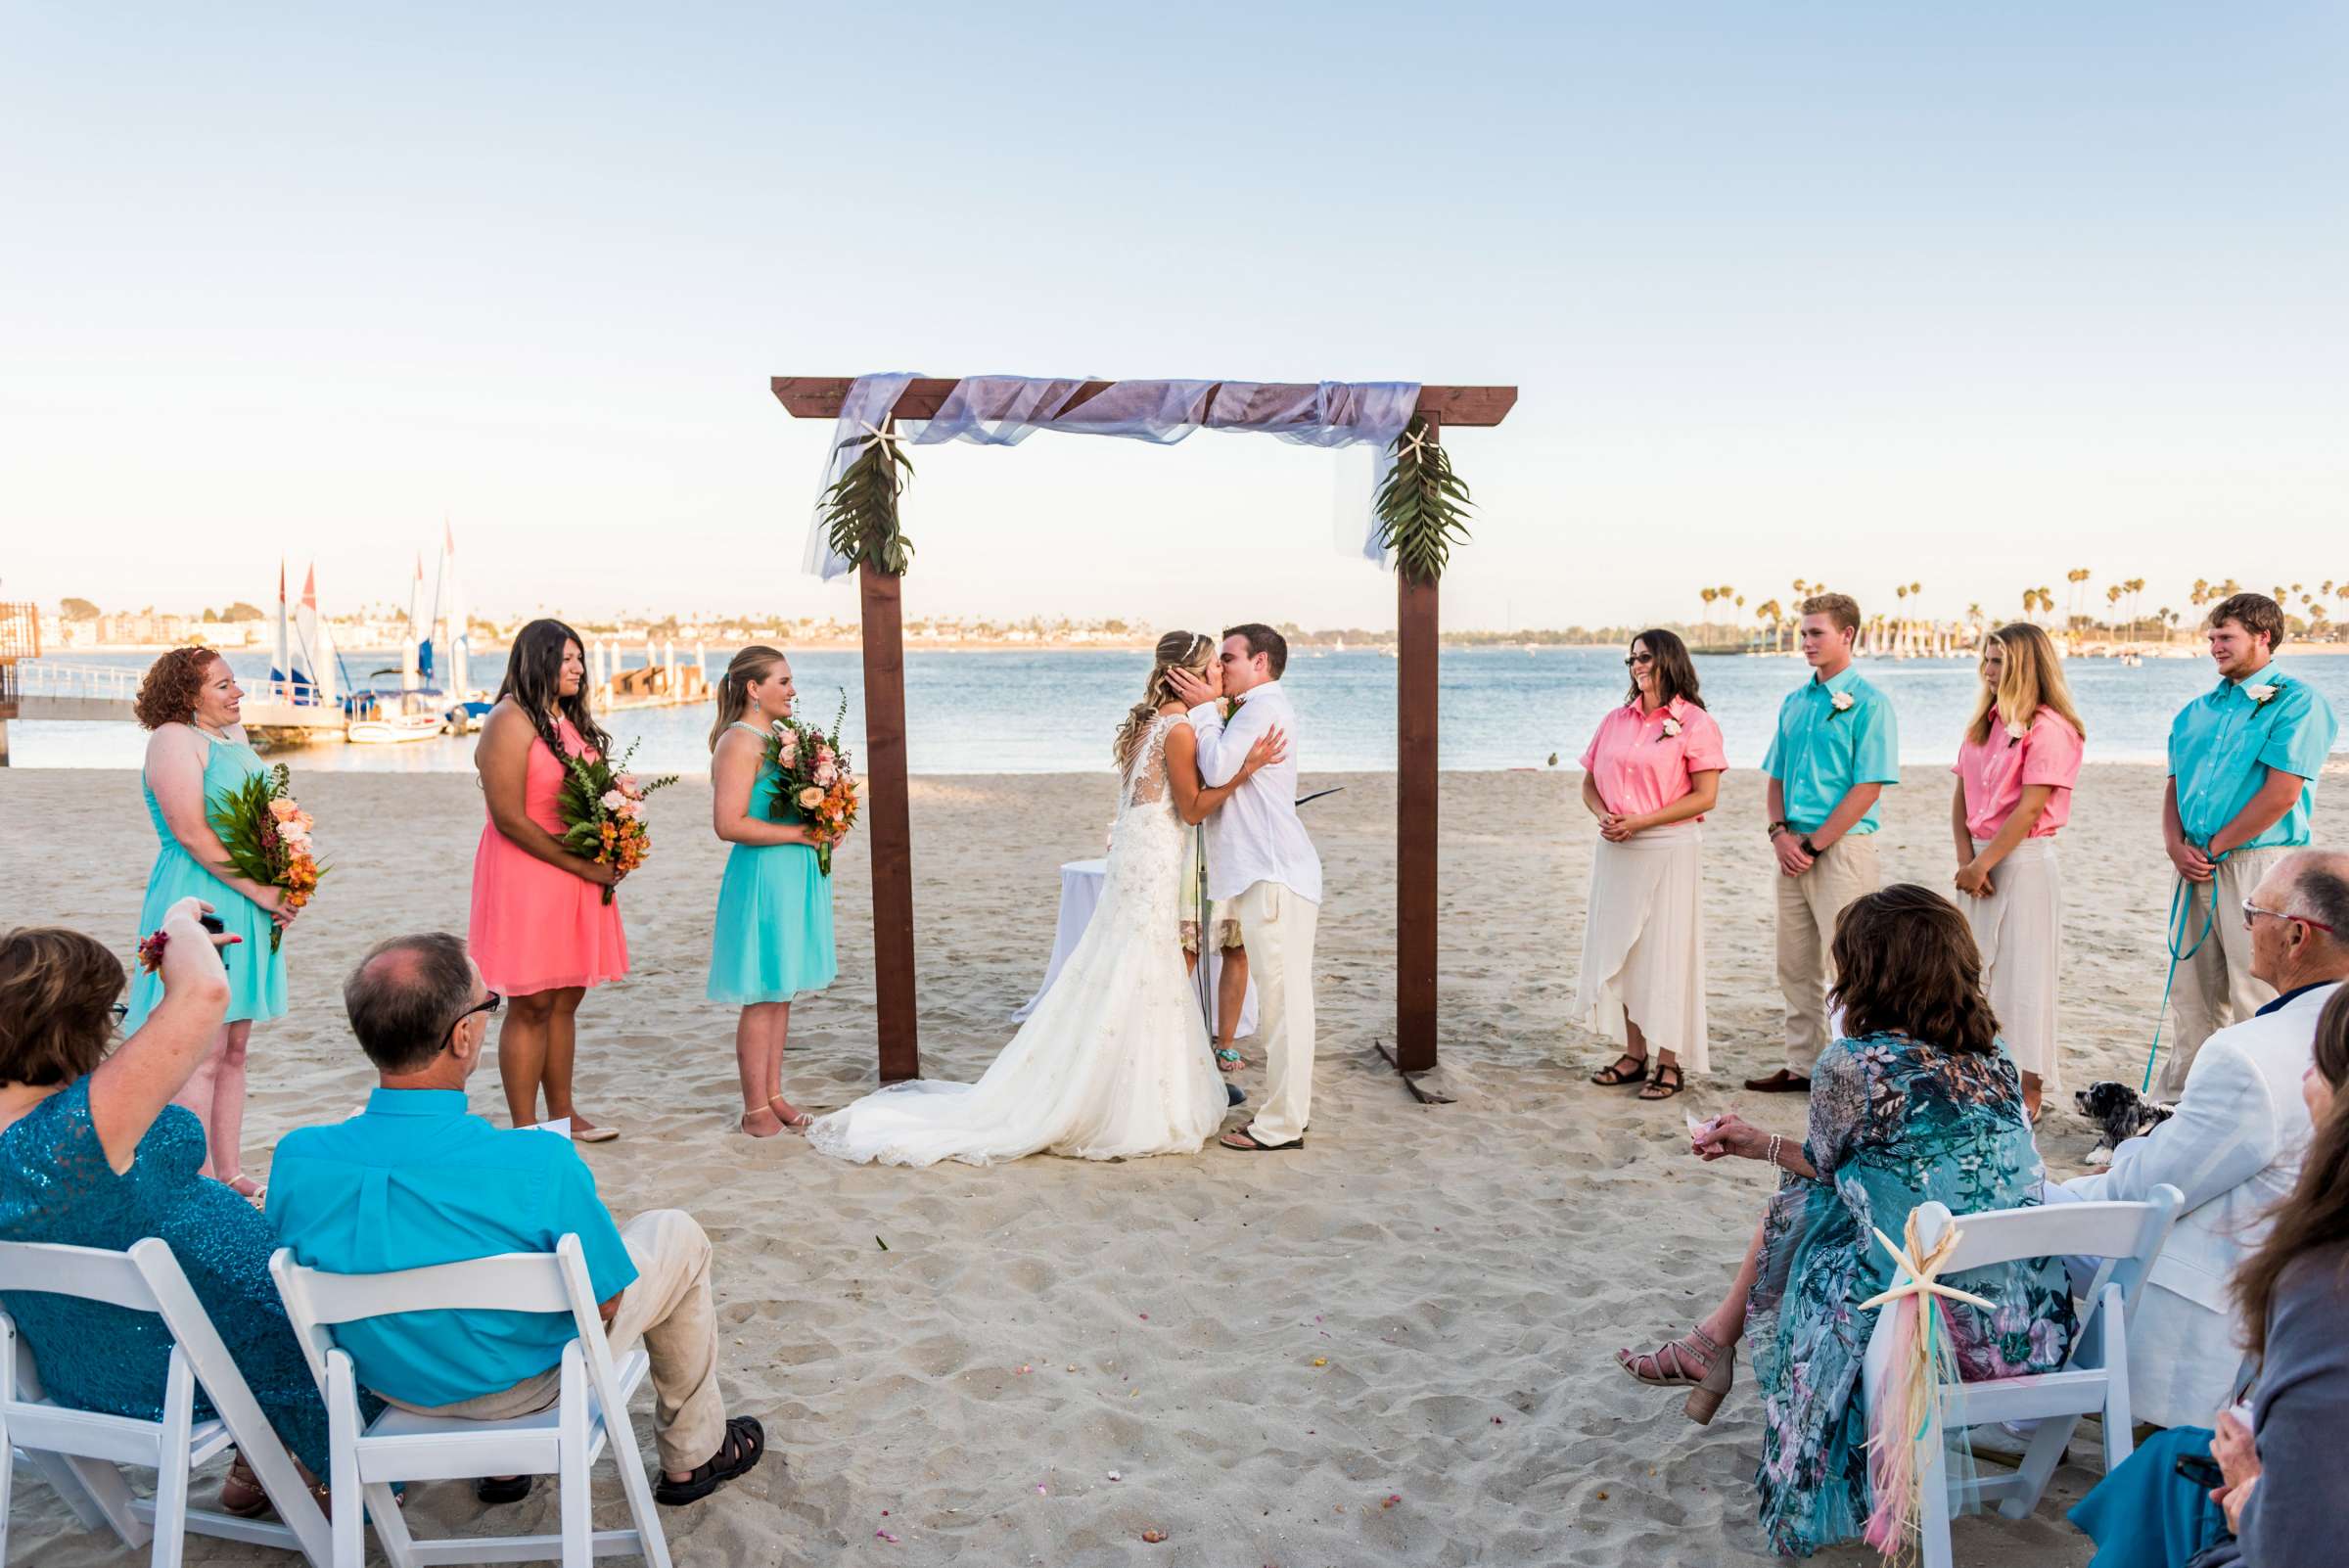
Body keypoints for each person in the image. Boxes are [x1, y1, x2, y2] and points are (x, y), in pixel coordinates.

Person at [1615, 885, 2071, 1557]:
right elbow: (1866, 1163)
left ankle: (1713, 1342)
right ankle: (1711, 1342)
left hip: (1926, 1325)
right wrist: (1756, 1141)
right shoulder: (1998, 1058)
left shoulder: (1851, 1064)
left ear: (1867, 973)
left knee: (1817, 1210)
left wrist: (1753, 1144)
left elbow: (1829, 1167)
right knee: (1838, 1196)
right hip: (2026, 1318)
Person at [266, 933, 765, 1506]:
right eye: (488, 1006)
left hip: (391, 1383)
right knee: (674, 1233)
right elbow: (605, 1304)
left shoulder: (299, 1157)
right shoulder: (536, 1160)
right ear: (462, 1035)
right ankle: (693, 1457)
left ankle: (505, 1470)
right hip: (522, 1387)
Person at [807, 632, 1286, 1167]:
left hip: (1139, 851)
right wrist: (1248, 769)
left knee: (1130, 963)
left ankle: (1119, 1078)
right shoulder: (1178, 730)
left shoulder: (1150, 724)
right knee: (1142, 965)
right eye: (1213, 669)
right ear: (1189, 674)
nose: (1220, 676)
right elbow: (1194, 809)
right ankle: (1123, 1096)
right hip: (1153, 859)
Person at [0, 901, 345, 1516]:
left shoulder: (43, 1123)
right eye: (109, 1015)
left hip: (81, 1363)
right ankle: (295, 1452)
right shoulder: (76, 1128)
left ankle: (260, 1458)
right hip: (178, 1365)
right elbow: (207, 991)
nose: (114, 1033)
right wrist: (179, 922)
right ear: (68, 1027)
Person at [2059, 850, 2349, 1431]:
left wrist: (2079, 1182)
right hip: (2311, 1291)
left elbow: (2148, 1189)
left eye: (2251, 912)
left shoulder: (2247, 1054)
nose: (2244, 926)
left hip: (2229, 1311)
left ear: (2296, 936)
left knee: (2028, 1217)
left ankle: (2023, 1414)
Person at [2067, 984, 2349, 1568]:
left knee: (2169, 1478)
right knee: (2165, 1464)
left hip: (2288, 1528)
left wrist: (2253, 1493)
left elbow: (2302, 1535)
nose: (2303, 1085)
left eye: (2320, 1071)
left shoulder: (2325, 1279)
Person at [122, 647, 297, 1197]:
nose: (237, 693)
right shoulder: (174, 739)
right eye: (222, 686)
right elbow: (194, 834)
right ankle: (194, 1179)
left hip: (248, 895)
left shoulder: (234, 740)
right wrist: (262, 891)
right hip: (198, 898)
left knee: (236, 1047)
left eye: (233, 682)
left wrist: (287, 879)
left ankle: (229, 1169)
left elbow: (267, 818)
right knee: (201, 1050)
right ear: (186, 695)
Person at [2159, 592, 2339, 1097]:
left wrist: (2215, 846)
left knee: (2253, 987)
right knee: (2191, 993)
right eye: (2212, 637)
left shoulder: (2298, 703)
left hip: (2259, 864)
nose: (2215, 646)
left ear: (2263, 637)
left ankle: (2264, 1099)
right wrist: (2176, 846)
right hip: (2192, 863)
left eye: (2226, 636)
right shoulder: (2194, 712)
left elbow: (2282, 794)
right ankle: (2180, 1103)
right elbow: (2174, 787)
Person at [469, 618, 628, 1140]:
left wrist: (616, 843)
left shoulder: (572, 722)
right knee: (532, 1001)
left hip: (577, 871)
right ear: (537, 661)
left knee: (566, 997)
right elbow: (508, 818)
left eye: (580, 658)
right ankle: (525, 1126)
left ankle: (564, 1116)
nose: (577, 668)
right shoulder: (508, 719)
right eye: (566, 659)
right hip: (528, 870)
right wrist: (584, 863)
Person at [1172, 623, 1323, 1152]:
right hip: (1271, 874)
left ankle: (1281, 1127)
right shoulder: (1256, 707)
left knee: (1285, 1007)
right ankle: (1287, 1118)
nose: (1221, 669)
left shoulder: (1259, 707)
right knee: (1287, 1004)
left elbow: (1215, 768)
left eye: (1230, 658)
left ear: (1260, 662)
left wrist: (1204, 710)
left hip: (1275, 875)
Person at [1751, 594, 1900, 1094]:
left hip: (1843, 850)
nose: (1807, 641)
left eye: (1817, 633)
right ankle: (1802, 1065)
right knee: (1794, 961)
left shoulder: (1871, 704)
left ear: (1847, 635)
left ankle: (1854, 1069)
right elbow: (1775, 777)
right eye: (1804, 632)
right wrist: (1778, 835)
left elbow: (1868, 787)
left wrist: (1812, 845)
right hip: (1789, 849)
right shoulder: (1794, 702)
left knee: (1851, 963)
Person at [1576, 628, 1727, 1100]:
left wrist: (1640, 821)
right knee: (1625, 950)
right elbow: (1588, 782)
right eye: (1631, 659)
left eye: (1644, 657)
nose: (1636, 666)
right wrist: (1605, 816)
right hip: (1618, 849)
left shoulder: (1695, 722)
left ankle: (1669, 1061)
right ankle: (1634, 1052)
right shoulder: (1615, 720)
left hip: (1669, 848)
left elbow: (1706, 797)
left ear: (1668, 660)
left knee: (1667, 951)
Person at [1950, 622, 2086, 1121]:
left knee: (2025, 973)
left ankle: (2028, 1086)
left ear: (2026, 665)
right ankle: (1978, 1073)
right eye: (1986, 660)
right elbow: (1961, 796)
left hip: (2024, 860)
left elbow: (2030, 809)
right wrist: (1968, 861)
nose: (1989, 671)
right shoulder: (1982, 724)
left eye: (1999, 661)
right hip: (1978, 861)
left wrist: (1986, 861)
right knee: (1973, 972)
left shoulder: (2051, 728)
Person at [705, 646, 837, 1137]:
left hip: (793, 874)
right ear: (753, 689)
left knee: (782, 992)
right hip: (762, 877)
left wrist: (824, 823)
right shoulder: (739, 742)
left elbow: (789, 808)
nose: (792, 691)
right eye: (783, 681)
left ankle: (774, 1094)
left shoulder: (780, 738)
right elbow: (728, 823)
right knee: (762, 994)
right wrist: (800, 835)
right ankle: (753, 1106)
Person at [1179, 828, 1251, 1074]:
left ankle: (1225, 1044)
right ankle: (1163, 1040)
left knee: (1239, 948)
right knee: (1188, 949)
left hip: (1240, 849)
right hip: (1196, 849)